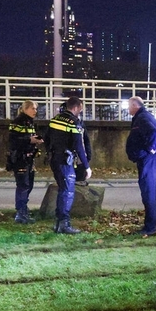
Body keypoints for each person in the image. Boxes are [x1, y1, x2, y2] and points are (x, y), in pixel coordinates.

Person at [46, 96, 91, 234]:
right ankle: (64, 224)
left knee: (63, 190)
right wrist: (87, 166)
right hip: (65, 161)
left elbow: (47, 139)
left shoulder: (54, 119)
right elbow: (79, 145)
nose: (81, 111)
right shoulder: (74, 122)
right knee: (67, 192)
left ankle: (59, 223)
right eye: (81, 108)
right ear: (76, 107)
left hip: (54, 159)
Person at [125, 96, 156, 237]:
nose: (128, 109)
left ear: (135, 105)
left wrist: (151, 148)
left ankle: (150, 227)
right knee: (149, 191)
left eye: (129, 106)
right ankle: (150, 225)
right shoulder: (144, 116)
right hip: (148, 158)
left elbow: (154, 131)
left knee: (149, 192)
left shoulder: (142, 118)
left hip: (148, 159)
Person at [6, 100, 43, 224]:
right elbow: (13, 141)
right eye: (33, 108)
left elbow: (33, 137)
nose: (35, 111)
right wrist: (30, 140)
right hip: (20, 159)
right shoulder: (17, 122)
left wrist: (37, 141)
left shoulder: (31, 123)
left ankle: (23, 209)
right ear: (25, 109)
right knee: (23, 186)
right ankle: (20, 213)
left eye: (36, 109)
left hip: (29, 159)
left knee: (29, 185)